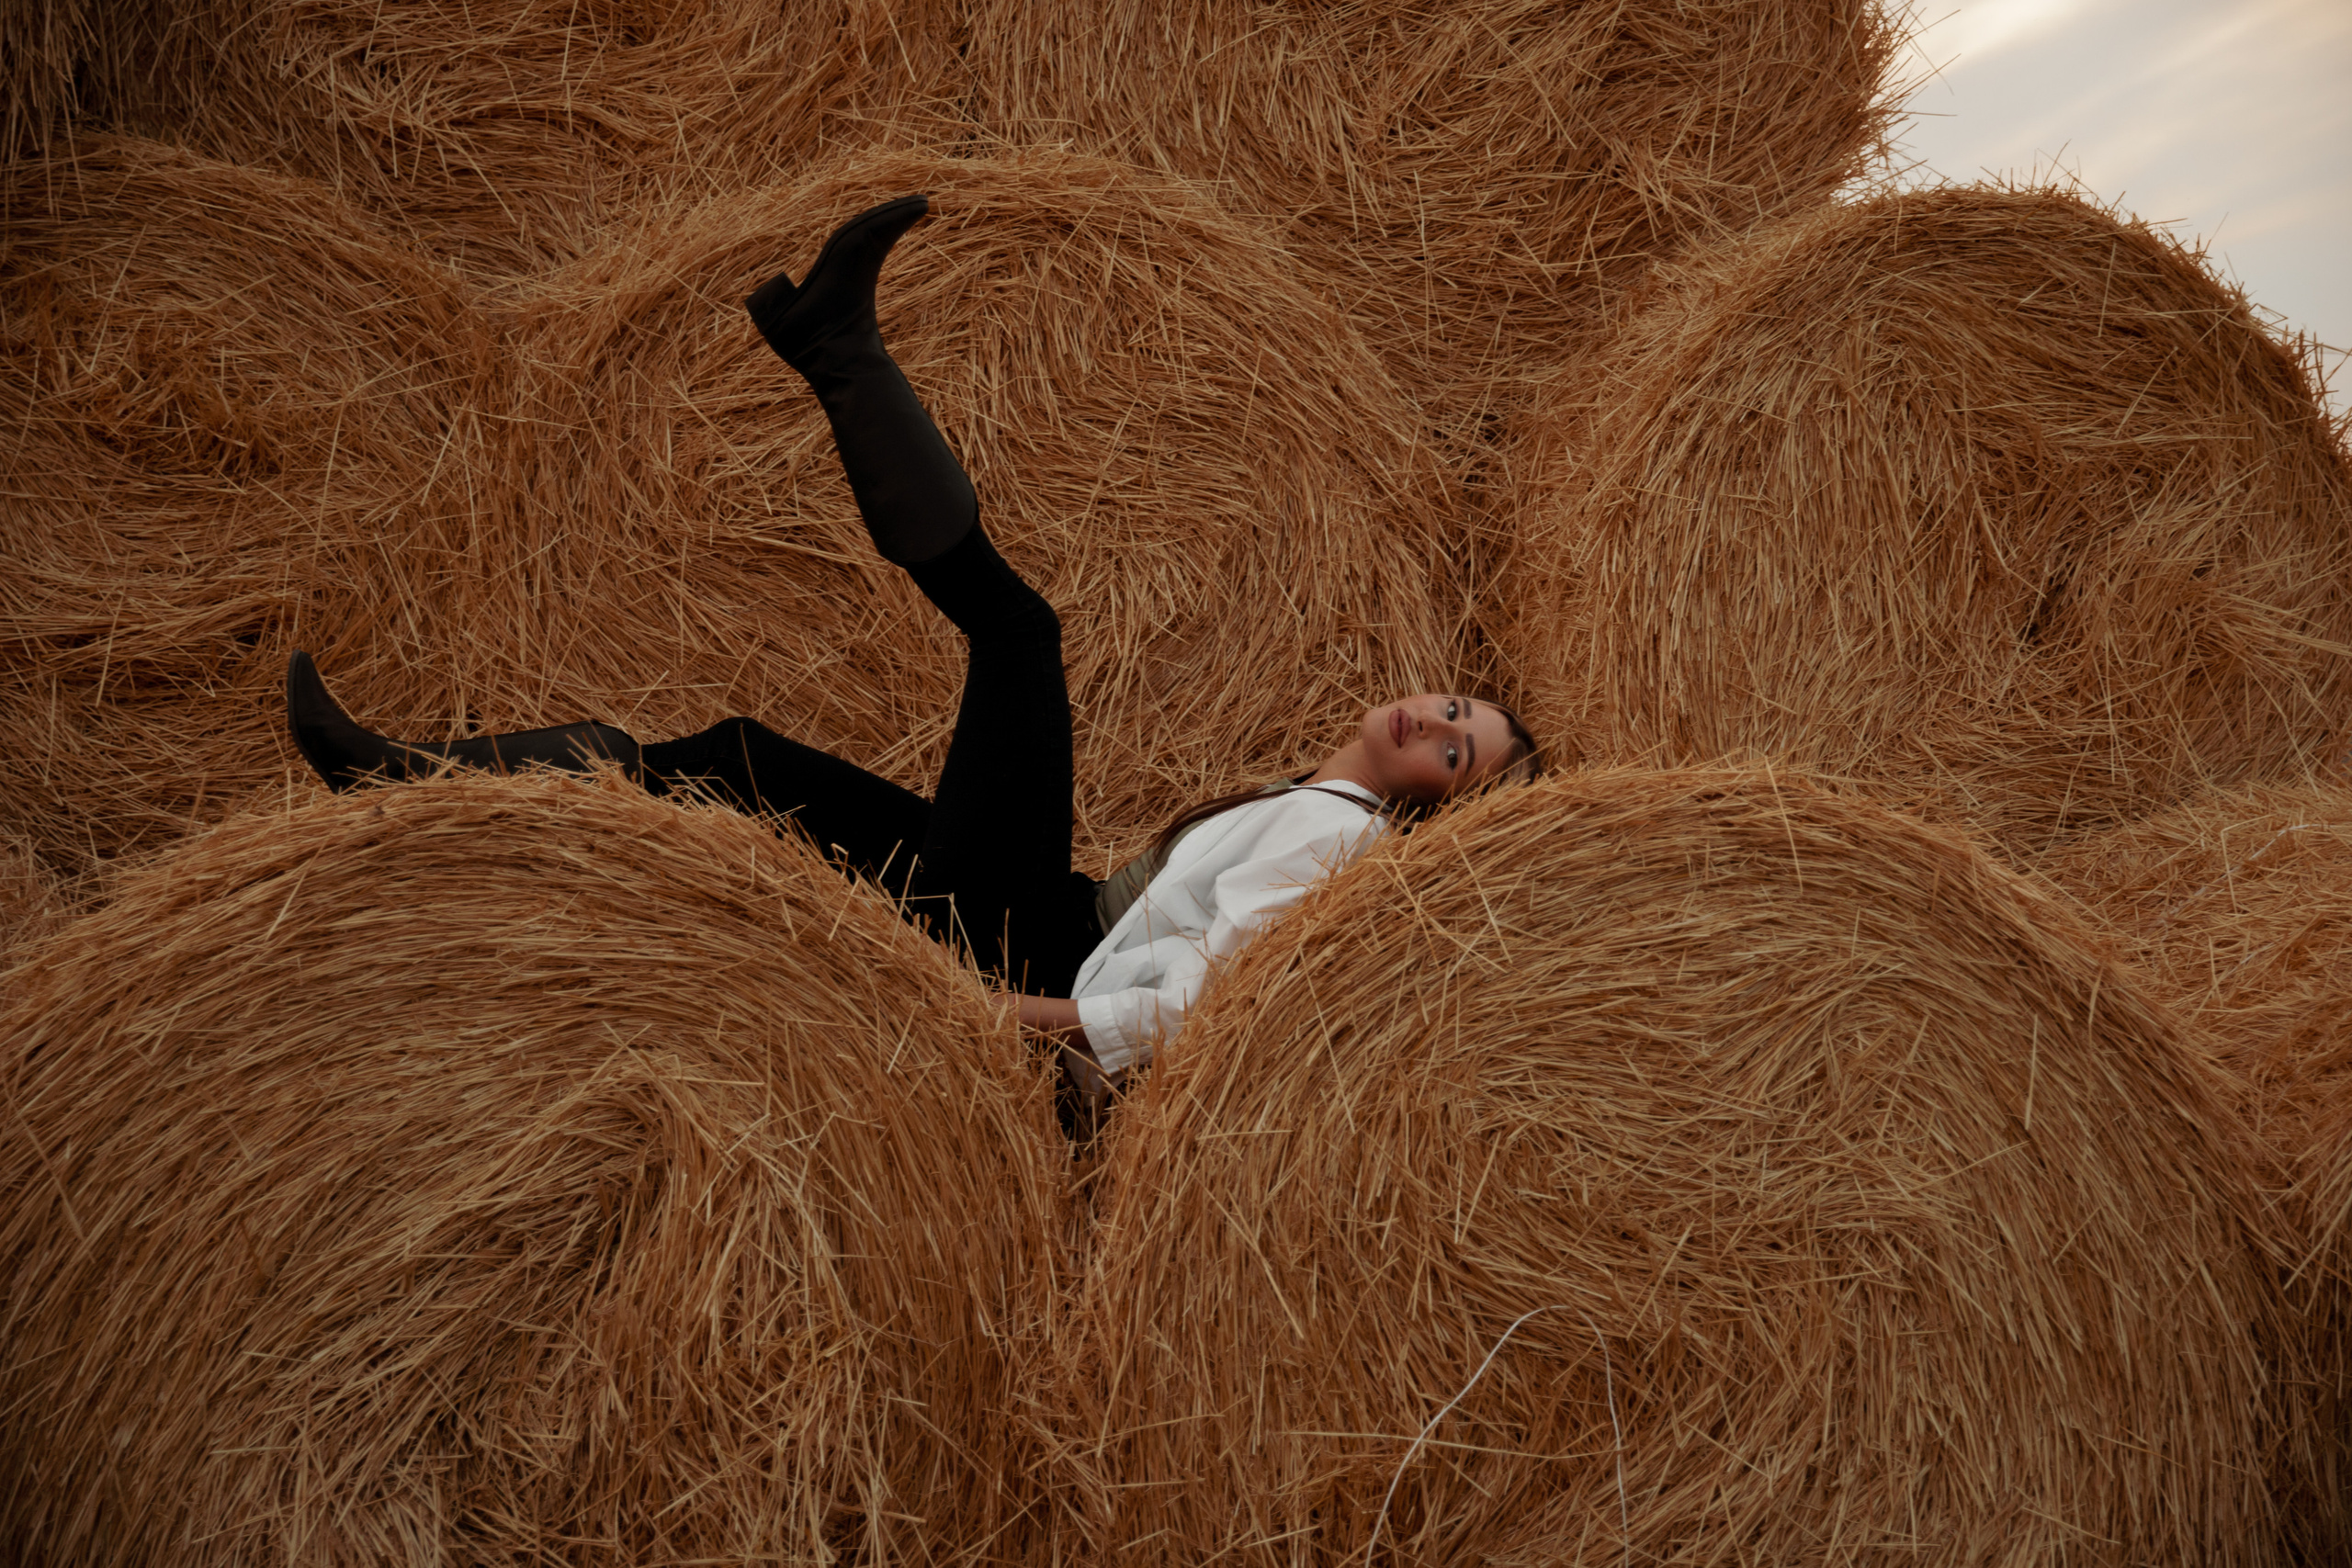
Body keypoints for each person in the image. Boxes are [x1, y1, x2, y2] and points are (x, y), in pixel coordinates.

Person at [286, 195, 1539, 1118]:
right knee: (738, 760)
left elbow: (1212, 1010)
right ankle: (415, 787)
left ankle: (838, 347)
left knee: (1018, 632)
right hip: (1042, 913)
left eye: (1455, 751)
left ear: (1437, 808)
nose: (1434, 719)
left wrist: (1010, 1021)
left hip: (1029, 956)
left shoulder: (1343, 842)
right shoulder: (1307, 805)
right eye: (1458, 707)